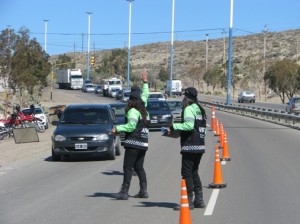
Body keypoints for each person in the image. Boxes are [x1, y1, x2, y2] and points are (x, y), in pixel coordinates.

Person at [111, 70, 149, 200]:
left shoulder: (133, 111)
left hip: (133, 142)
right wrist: (145, 82)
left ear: (131, 99)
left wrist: (117, 128)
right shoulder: (143, 108)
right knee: (139, 167)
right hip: (143, 142)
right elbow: (145, 95)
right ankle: (143, 191)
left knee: (127, 167)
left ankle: (124, 191)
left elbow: (131, 126)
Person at [167, 87, 207, 210]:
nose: (183, 99)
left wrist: (174, 127)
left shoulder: (189, 108)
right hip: (200, 145)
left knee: (186, 173)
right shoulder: (200, 109)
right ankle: (199, 200)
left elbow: (189, 126)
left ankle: (188, 200)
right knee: (194, 172)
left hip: (190, 145)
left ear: (187, 97)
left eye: (184, 96)